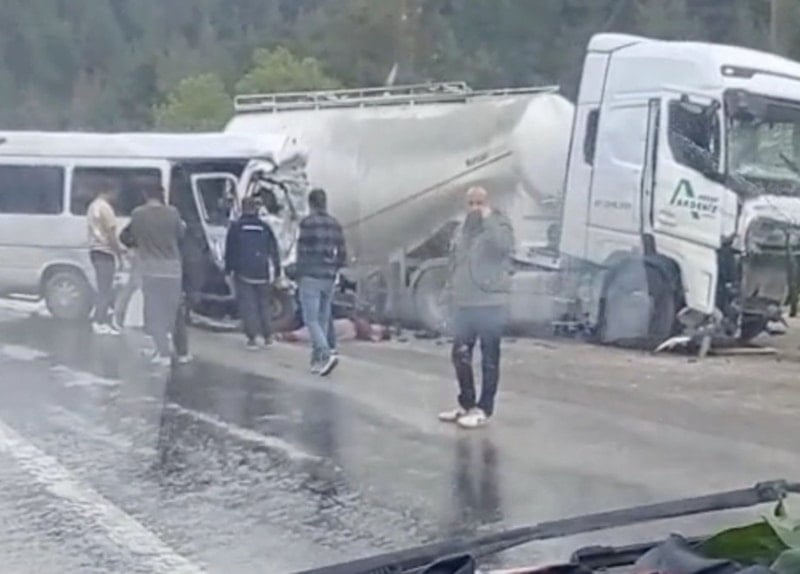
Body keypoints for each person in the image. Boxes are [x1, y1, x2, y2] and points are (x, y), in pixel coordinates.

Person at [438, 186, 515, 429]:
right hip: (464, 302)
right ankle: (467, 403)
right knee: (460, 354)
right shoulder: (462, 230)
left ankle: (484, 408)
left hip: (490, 302)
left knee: (489, 358)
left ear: (488, 203)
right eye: (470, 203)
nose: (475, 208)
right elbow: (455, 264)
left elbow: (503, 246)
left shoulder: (499, 225)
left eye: (479, 203)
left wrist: (488, 218)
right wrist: (447, 295)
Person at [122, 184, 186, 366]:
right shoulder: (173, 213)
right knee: (175, 312)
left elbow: (124, 236)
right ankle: (182, 352)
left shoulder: (138, 214)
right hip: (173, 270)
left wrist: (137, 245)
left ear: (145, 195)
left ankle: (163, 352)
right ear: (162, 195)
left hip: (151, 270)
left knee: (154, 312)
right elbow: (181, 235)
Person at [296, 188, 346, 376]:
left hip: (311, 275)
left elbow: (301, 251)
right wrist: (335, 269)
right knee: (323, 319)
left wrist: (298, 273)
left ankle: (325, 353)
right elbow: (342, 253)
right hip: (329, 277)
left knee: (311, 319)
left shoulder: (307, 223)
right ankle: (317, 361)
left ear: (310, 204)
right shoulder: (335, 224)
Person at [225, 196, 282, 350]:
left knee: (248, 305)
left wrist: (228, 271)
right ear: (255, 209)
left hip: (243, 272)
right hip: (262, 271)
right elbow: (274, 250)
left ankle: (253, 338)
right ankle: (268, 336)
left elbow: (230, 251)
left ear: (243, 208)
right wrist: (277, 272)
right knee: (264, 304)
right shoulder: (264, 227)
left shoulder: (236, 227)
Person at [86, 185, 124, 335]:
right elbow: (111, 234)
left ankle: (99, 318)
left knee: (102, 287)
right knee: (105, 289)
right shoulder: (106, 208)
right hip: (105, 251)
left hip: (95, 249)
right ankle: (99, 322)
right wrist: (119, 253)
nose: (116, 196)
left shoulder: (93, 206)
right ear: (109, 191)